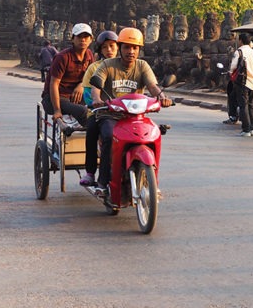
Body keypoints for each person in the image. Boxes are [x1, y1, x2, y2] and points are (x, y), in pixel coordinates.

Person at [86, 27, 172, 191]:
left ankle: (152, 180)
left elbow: (152, 86)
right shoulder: (107, 65)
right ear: (120, 48)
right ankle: (102, 182)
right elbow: (96, 86)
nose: (131, 51)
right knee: (108, 136)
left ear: (139, 49)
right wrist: (97, 99)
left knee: (154, 134)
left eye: (134, 48)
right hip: (110, 115)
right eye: (126, 47)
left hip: (135, 117)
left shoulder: (142, 66)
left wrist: (162, 97)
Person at [78, 30, 118, 186]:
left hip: (124, 112)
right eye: (105, 47)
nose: (109, 50)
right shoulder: (94, 68)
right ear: (100, 50)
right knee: (92, 131)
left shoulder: (126, 66)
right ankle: (90, 172)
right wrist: (97, 102)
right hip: (99, 112)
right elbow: (88, 93)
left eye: (112, 46)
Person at [41, 23, 95, 126]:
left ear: (91, 39)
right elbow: (54, 84)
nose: (83, 40)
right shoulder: (63, 57)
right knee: (83, 112)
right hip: (54, 99)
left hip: (75, 98)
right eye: (79, 37)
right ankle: (90, 134)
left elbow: (90, 76)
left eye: (86, 37)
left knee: (99, 108)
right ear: (73, 39)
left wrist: (81, 85)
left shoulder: (89, 55)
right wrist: (57, 110)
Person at [230, 32, 253, 137]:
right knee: (251, 106)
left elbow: (233, 66)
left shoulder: (239, 51)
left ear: (240, 41)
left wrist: (230, 73)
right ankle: (252, 128)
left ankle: (246, 129)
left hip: (243, 82)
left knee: (243, 106)